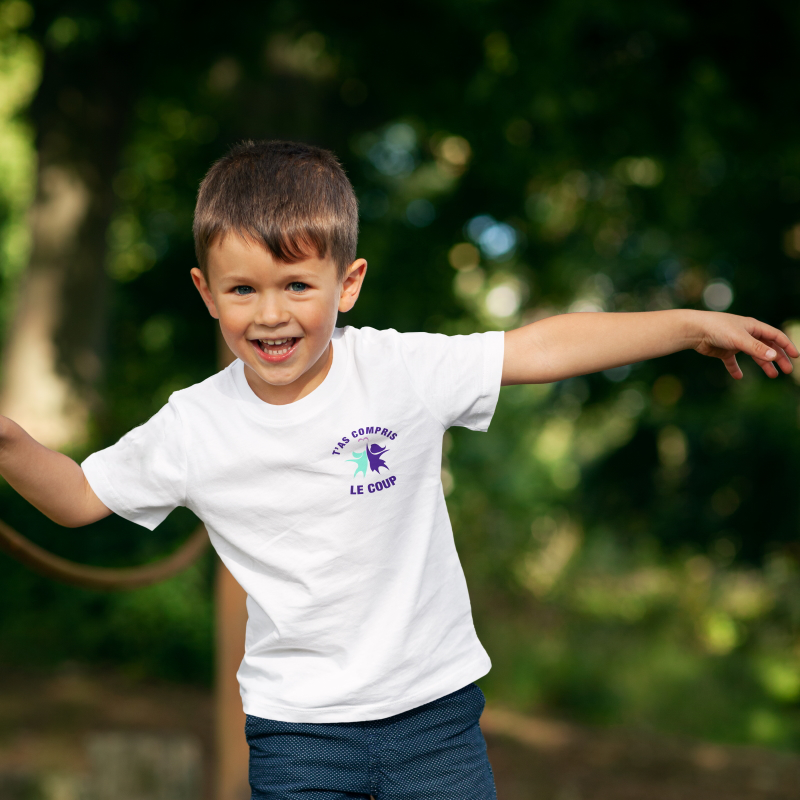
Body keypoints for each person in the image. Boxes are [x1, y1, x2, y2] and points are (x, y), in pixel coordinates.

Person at [0, 140, 795, 800]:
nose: (270, 313)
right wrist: (8, 443)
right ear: (208, 294)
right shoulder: (193, 425)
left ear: (347, 284)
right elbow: (75, 497)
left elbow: (543, 347)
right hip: (297, 733)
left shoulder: (399, 370)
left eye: (296, 286)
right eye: (243, 289)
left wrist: (689, 322)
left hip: (434, 722)